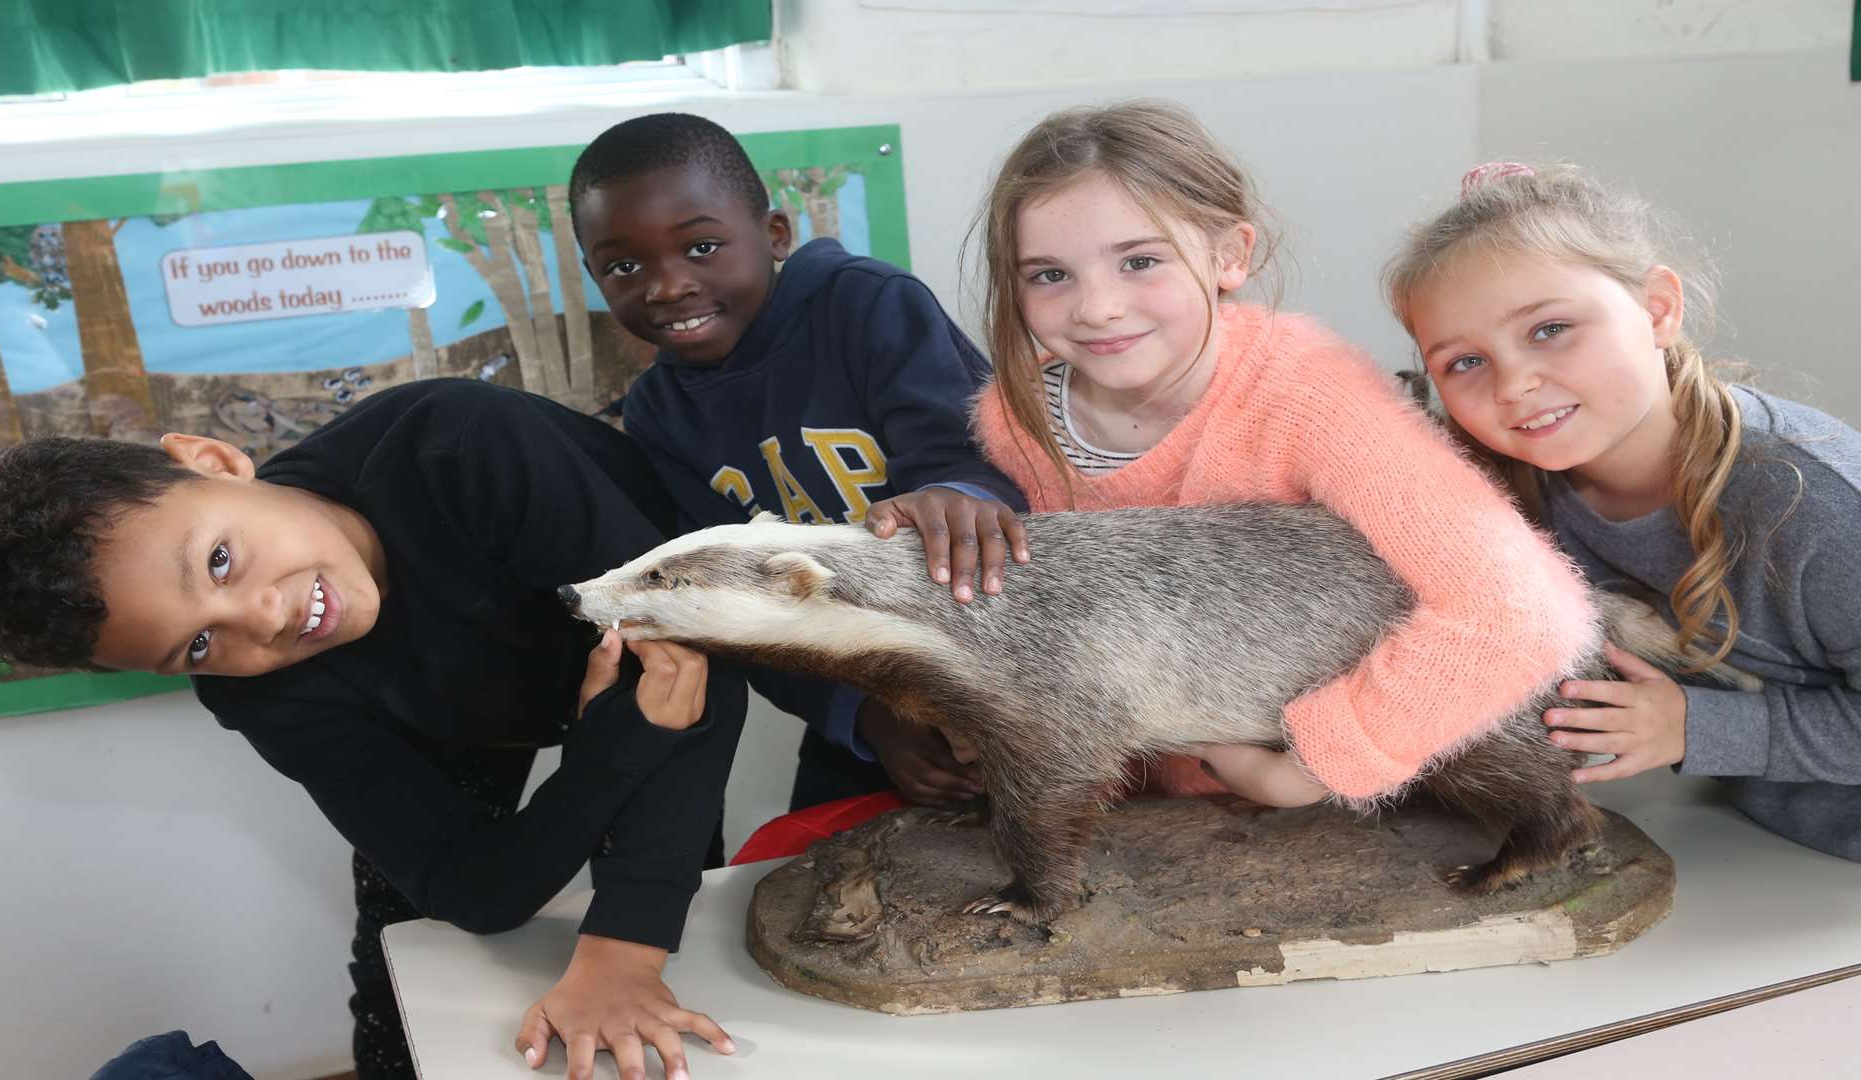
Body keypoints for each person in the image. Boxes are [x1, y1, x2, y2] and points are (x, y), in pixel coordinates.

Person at [0, 379, 746, 1080]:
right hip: (509, 712)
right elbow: (471, 887)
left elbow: (704, 662)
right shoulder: (260, 690)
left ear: (214, 462)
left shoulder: (460, 445)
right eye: (195, 643)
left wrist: (621, 956)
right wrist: (610, 744)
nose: (260, 619)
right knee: (401, 974)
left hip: (643, 642)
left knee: (663, 923)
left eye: (219, 560)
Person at [902, 101, 1599, 807]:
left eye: (1139, 261)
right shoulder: (1015, 420)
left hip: (1360, 798)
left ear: (1229, 255)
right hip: (1166, 817)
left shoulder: (1310, 393)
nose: (1098, 308)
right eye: (1049, 275)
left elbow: (1519, 610)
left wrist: (1312, 768)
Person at [1385, 162, 1861, 860]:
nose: (1516, 384)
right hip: (1754, 838)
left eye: (1550, 329)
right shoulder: (1517, 491)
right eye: (1464, 363)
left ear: (1659, 309)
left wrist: (1695, 728)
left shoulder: (1814, 503)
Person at [568, 112, 1027, 811]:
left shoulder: (869, 306)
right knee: (803, 877)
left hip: (1000, 647)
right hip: (865, 693)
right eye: (624, 266)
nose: (666, 286)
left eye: (701, 247)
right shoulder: (660, 413)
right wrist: (869, 722)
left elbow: (981, 462)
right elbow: (734, 613)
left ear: (775, 234)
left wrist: (953, 493)